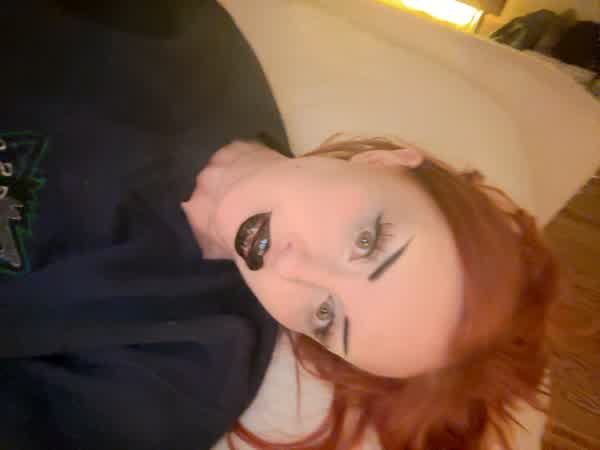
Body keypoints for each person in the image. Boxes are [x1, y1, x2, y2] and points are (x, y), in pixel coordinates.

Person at [0, 2, 563, 450]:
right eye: (366, 242)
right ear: (386, 160)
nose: (291, 268)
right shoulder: (175, 37)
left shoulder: (173, 378)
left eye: (326, 317)